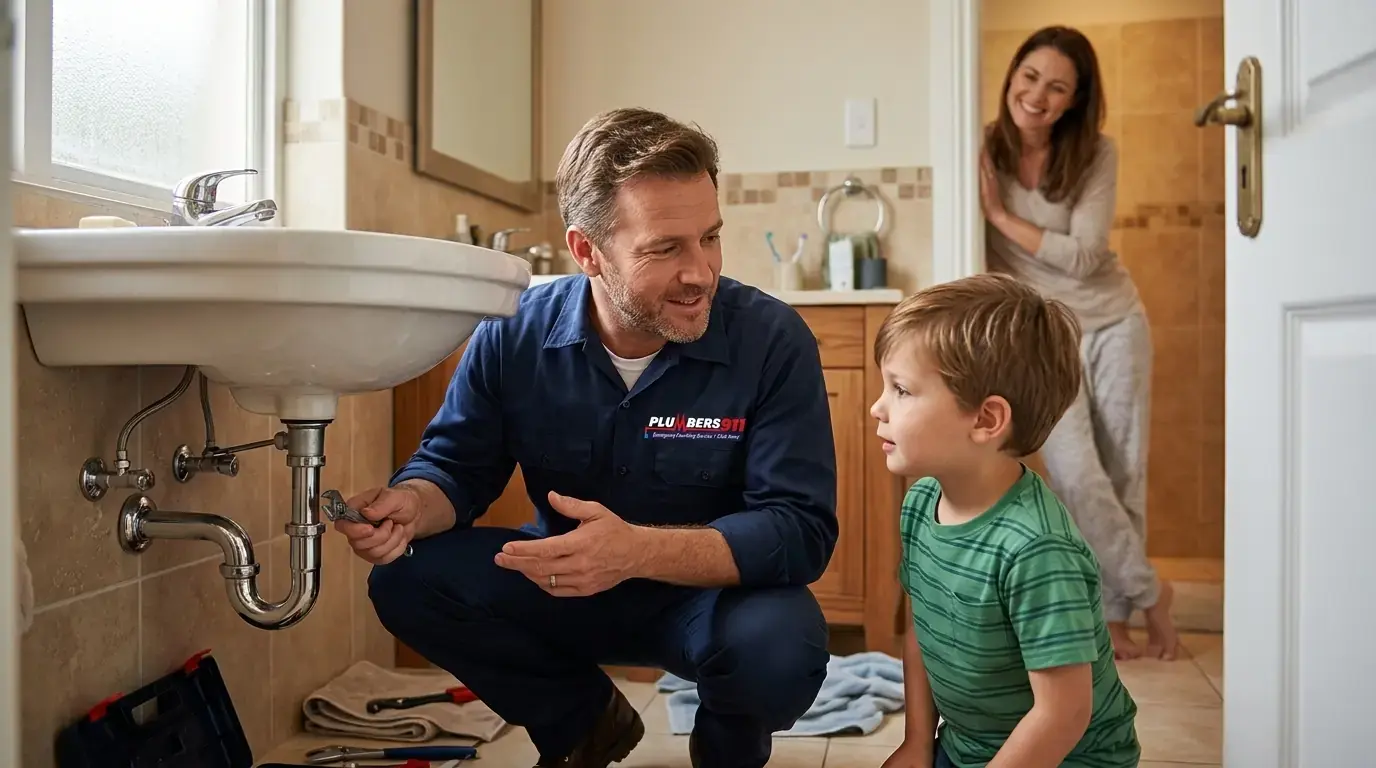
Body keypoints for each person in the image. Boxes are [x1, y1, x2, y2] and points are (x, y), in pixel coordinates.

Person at [338, 107, 838, 768]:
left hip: (710, 601)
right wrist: (414, 503)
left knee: (783, 648)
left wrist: (635, 551)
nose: (701, 272)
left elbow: (799, 530)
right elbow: (456, 467)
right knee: (407, 580)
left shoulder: (771, 341)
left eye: (709, 238)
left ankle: (729, 745)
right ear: (586, 251)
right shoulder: (513, 334)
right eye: (666, 248)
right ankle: (582, 723)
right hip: (568, 585)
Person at [871, 273, 1141, 768]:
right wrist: (916, 743)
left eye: (902, 390)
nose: (877, 406)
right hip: (969, 748)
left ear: (986, 420)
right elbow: (922, 629)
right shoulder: (920, 504)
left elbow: (1063, 712)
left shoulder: (1035, 549)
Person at [979, 24, 1178, 660]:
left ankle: (1114, 620)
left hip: (1115, 321)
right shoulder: (980, 149)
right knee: (1075, 474)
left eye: (1057, 87)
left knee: (1124, 472)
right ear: (1012, 75)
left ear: (1074, 99)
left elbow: (1090, 256)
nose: (1037, 95)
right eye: (1030, 76)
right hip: (1046, 338)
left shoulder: (1097, 152)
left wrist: (1003, 219)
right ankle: (1150, 594)